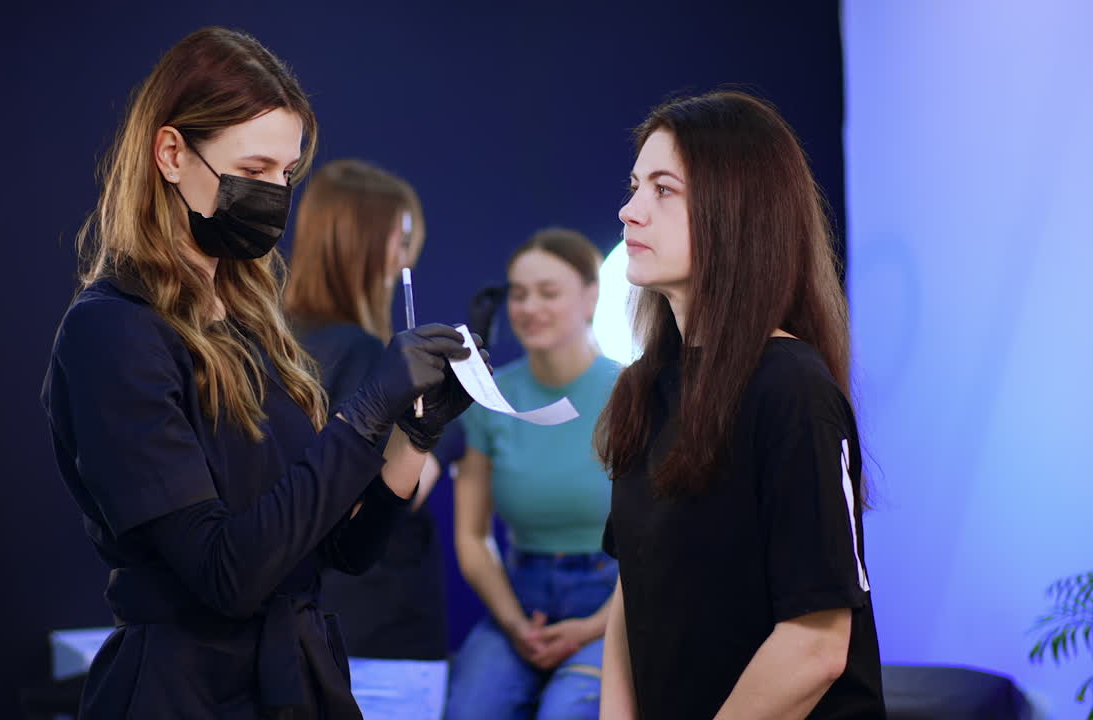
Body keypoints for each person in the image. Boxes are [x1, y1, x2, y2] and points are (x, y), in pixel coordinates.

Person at [39, 27, 484, 720]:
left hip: (297, 683)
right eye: (255, 168)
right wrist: (366, 411)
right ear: (171, 154)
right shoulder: (112, 331)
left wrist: (410, 439)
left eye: (286, 172)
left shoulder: (254, 325)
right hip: (187, 695)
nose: (276, 193)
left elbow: (341, 546)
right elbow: (227, 573)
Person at [596, 90, 885, 719]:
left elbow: (815, 646)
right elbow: (633, 591)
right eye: (635, 185)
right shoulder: (642, 387)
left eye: (663, 190)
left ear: (737, 212)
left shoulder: (791, 388)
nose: (629, 210)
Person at [284, 158, 450, 719]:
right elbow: (374, 497)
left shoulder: (282, 344)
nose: (407, 256)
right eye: (398, 238)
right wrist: (428, 450)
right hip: (381, 635)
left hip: (312, 630)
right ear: (361, 240)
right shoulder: (358, 352)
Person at [445, 228, 622, 720]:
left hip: (617, 599)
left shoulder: (632, 392)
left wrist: (591, 628)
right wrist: (516, 624)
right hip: (522, 599)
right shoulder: (488, 396)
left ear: (591, 296)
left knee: (570, 712)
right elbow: (472, 538)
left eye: (549, 292)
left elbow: (667, 542)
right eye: (519, 294)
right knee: (468, 711)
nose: (529, 307)